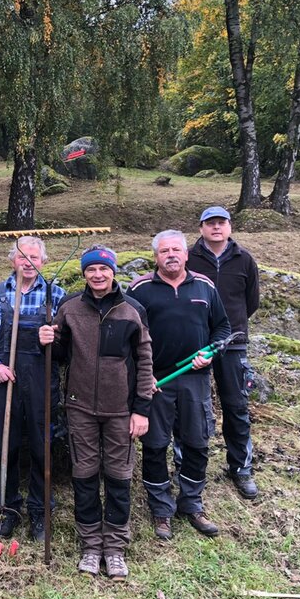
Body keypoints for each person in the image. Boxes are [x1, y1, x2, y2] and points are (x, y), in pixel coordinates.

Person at [39, 245, 153, 578]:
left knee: (119, 476)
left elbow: (145, 360)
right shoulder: (69, 307)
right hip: (80, 408)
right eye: (91, 270)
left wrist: (141, 409)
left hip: (122, 410)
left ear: (113, 272)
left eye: (103, 269)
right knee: (85, 475)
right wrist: (46, 339)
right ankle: (91, 545)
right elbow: (59, 353)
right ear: (85, 273)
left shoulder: (133, 310)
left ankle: (114, 547)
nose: (98, 275)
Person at [128, 230, 230, 539]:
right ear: (155, 257)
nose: (171, 255)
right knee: (156, 445)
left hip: (195, 380)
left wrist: (210, 353)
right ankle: (161, 510)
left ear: (186, 254)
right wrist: (143, 377)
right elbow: (128, 337)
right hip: (156, 380)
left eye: (176, 249)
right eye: (164, 251)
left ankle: (192, 503)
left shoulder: (205, 286)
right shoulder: (140, 289)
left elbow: (222, 327)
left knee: (197, 443)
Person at [0, 235, 66, 540]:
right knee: (7, 446)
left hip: (42, 380)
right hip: (6, 380)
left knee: (43, 447)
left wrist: (53, 340)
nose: (28, 263)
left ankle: (40, 510)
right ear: (12, 260)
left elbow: (67, 344)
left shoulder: (57, 295)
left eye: (34, 258)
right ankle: (8, 508)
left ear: (44, 261)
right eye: (22, 257)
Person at [187, 205, 260, 499]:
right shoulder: (189, 258)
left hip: (233, 343)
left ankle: (241, 468)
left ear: (229, 226)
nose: (216, 227)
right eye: (210, 223)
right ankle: (190, 468)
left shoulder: (245, 260)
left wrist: (232, 326)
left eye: (221, 222)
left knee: (236, 407)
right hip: (195, 342)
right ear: (201, 228)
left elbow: (251, 301)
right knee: (191, 407)